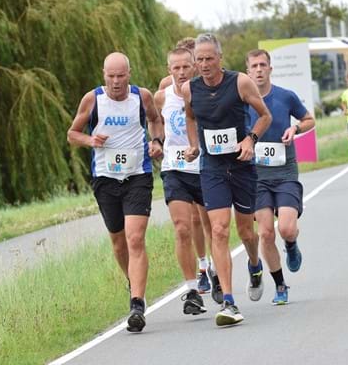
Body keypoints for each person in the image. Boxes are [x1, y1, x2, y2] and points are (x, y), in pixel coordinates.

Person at [67, 52, 164, 333]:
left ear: (129, 74)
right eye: (111, 76)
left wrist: (157, 141)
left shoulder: (142, 97)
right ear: (104, 75)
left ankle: (137, 304)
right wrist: (90, 140)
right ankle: (132, 282)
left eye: (121, 76)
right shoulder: (92, 99)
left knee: (135, 238)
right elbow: (72, 134)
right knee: (119, 243)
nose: (116, 81)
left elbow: (155, 120)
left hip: (137, 175)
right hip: (105, 179)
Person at [182, 33, 272, 326]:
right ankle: (230, 302)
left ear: (220, 58)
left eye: (209, 58)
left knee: (246, 233)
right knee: (219, 230)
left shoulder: (240, 82)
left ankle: (255, 265)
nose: (204, 64)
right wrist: (194, 145)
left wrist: (250, 139)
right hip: (212, 168)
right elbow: (190, 117)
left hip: (242, 166)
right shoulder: (189, 89)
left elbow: (265, 116)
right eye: (199, 59)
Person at [245, 49, 315, 305]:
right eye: (254, 66)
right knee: (265, 233)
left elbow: (309, 120)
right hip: (256, 176)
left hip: (285, 171)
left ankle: (291, 244)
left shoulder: (285, 96)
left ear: (270, 69)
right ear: (248, 71)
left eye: (263, 65)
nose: (259, 69)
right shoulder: (242, 102)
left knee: (286, 228)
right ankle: (280, 285)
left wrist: (295, 128)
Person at [154, 47, 210, 316]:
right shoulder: (161, 97)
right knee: (182, 228)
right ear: (169, 70)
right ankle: (191, 290)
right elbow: (154, 121)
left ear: (194, 67)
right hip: (174, 168)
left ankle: (215, 272)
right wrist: (156, 141)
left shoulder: (206, 92)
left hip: (205, 168)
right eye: (175, 68)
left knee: (213, 226)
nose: (181, 72)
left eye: (186, 67)